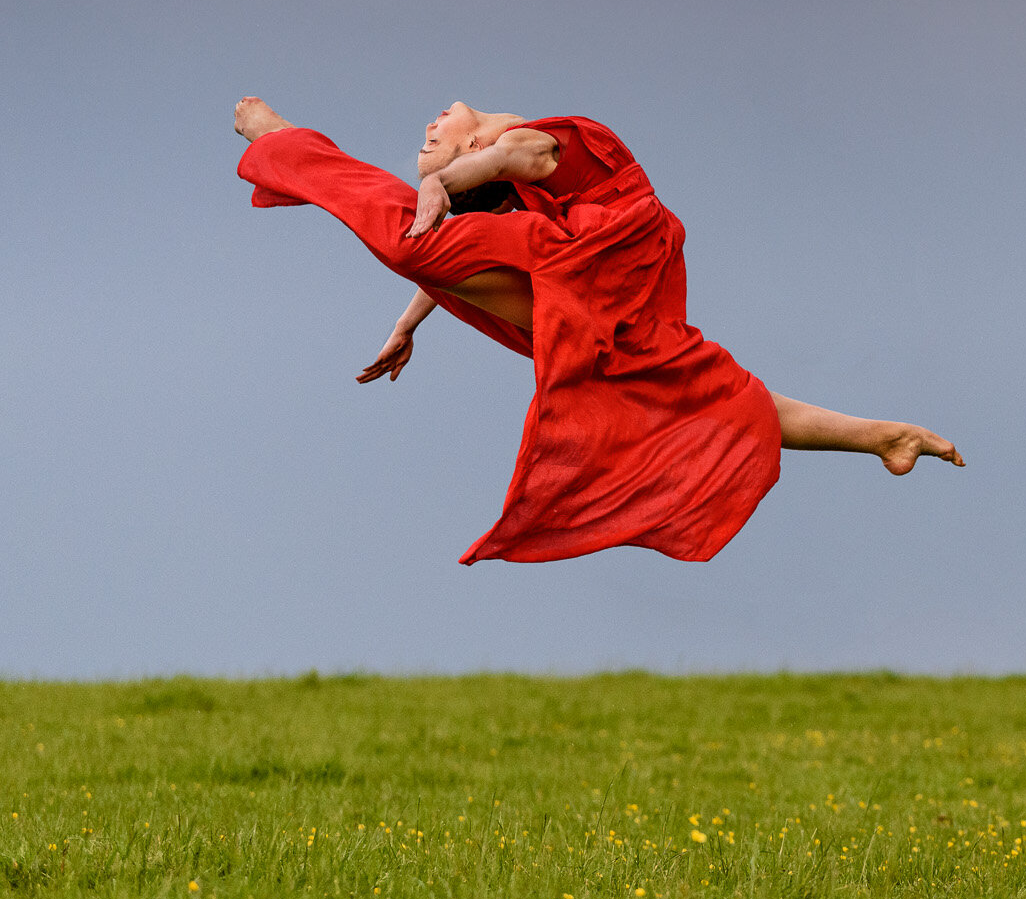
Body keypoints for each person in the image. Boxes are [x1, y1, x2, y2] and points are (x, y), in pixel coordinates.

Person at [234, 98, 961, 563]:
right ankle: (881, 435)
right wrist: (410, 316)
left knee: (411, 242)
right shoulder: (501, 180)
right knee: (697, 389)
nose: (426, 132)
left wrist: (442, 183)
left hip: (606, 250)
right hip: (597, 274)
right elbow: (472, 238)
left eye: (433, 140)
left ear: (467, 139)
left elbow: (521, 158)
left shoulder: (520, 138)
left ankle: (286, 143)